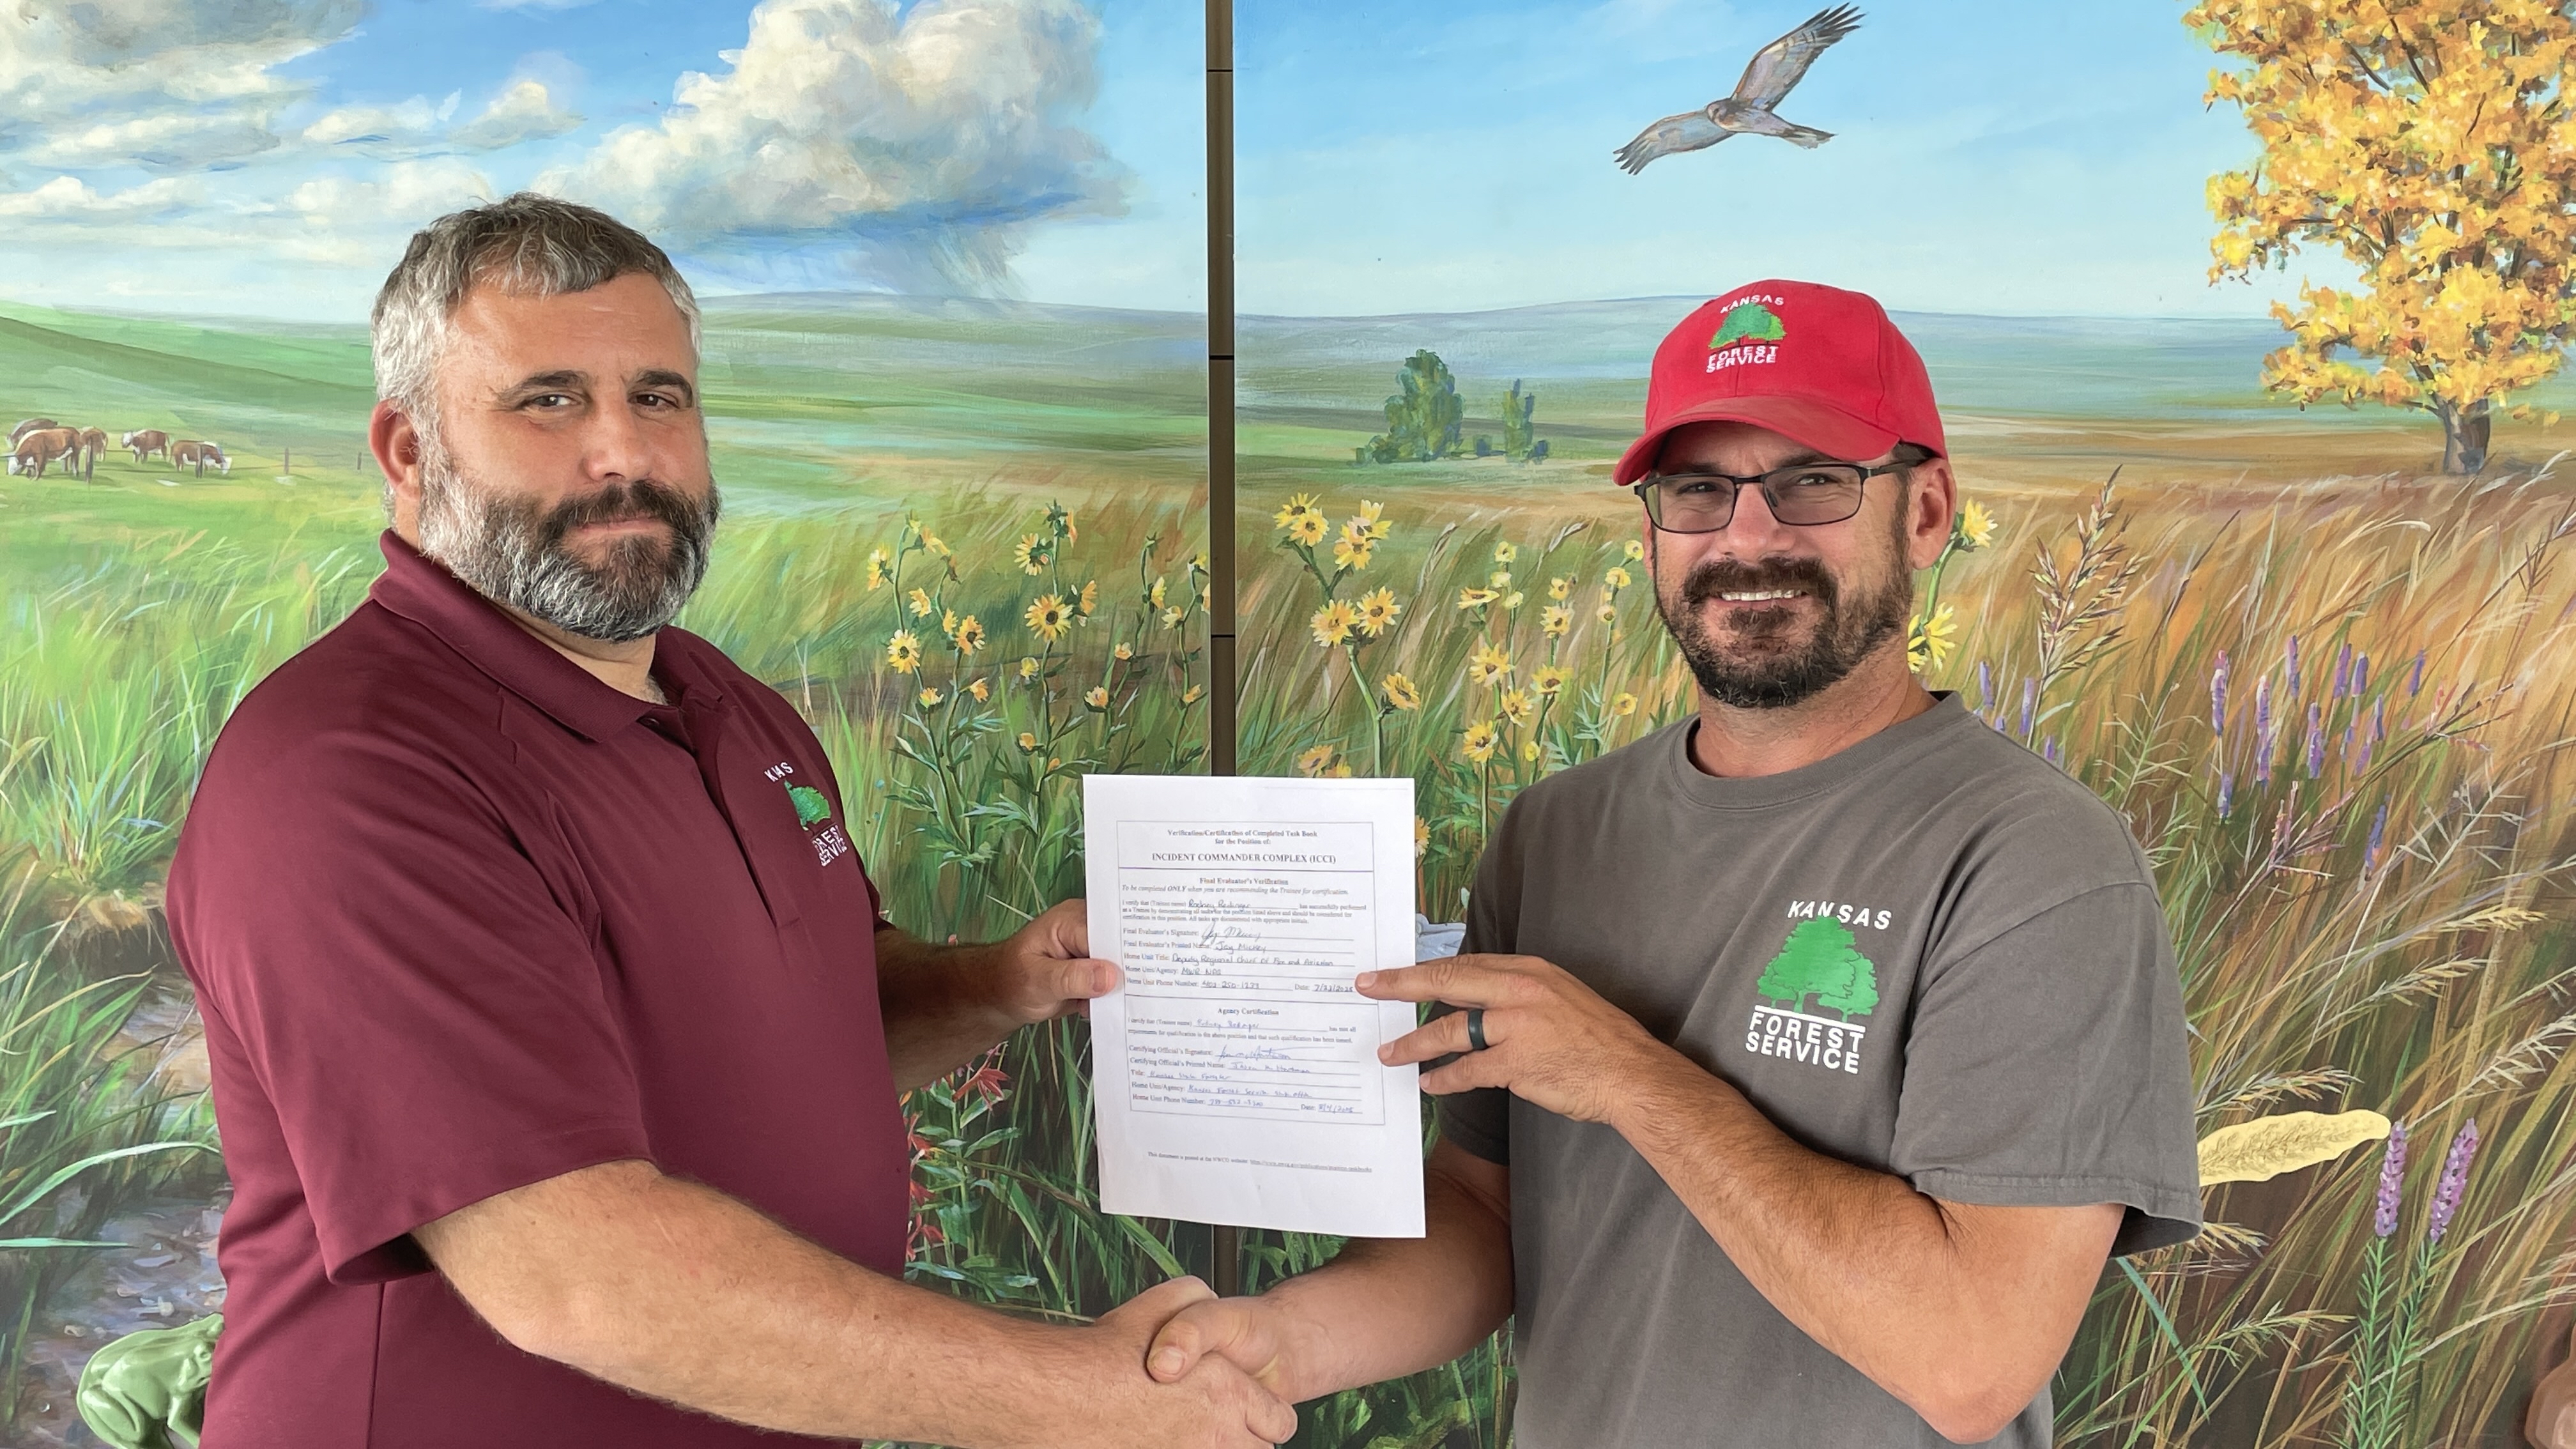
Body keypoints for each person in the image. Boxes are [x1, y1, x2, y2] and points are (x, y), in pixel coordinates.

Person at [164, 194, 1292, 1449]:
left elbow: (809, 1021)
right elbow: (577, 1269)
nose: (624, 455)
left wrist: (996, 984)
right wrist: (1084, 1401)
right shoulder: (351, 771)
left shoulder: (727, 705)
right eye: (548, 401)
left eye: (659, 398)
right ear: (410, 452)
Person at [1144, 279, 2204, 1445]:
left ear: (1928, 513)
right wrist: (1286, 1343)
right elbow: (1488, 1210)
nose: (1749, 537)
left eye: (1814, 480)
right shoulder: (1555, 832)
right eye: (1698, 490)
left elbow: (1970, 1357)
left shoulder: (2031, 860)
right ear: (1651, 531)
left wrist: (1629, 1078)